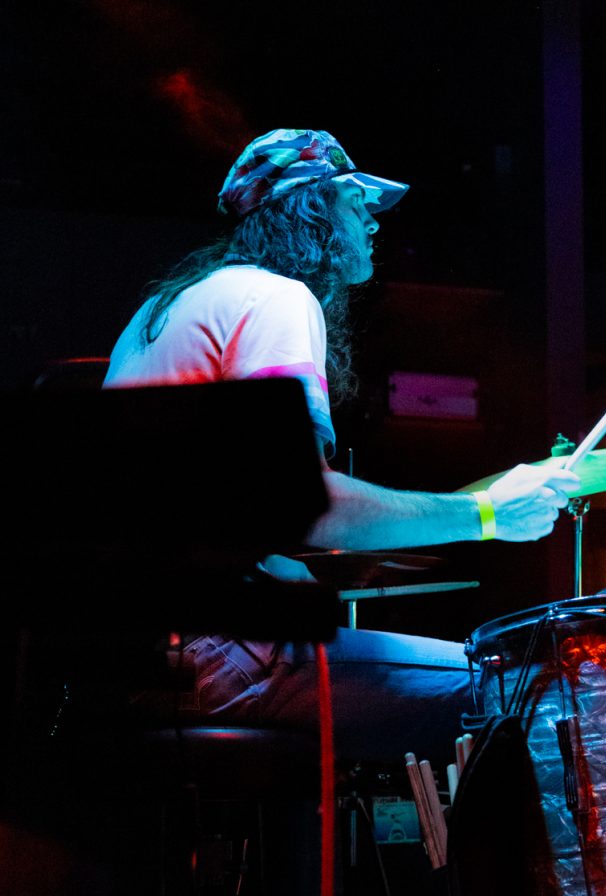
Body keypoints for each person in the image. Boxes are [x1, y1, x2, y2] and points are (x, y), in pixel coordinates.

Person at [103, 127, 581, 767]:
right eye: (358, 205)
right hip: (211, 655)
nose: (374, 225)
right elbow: (309, 504)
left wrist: (274, 565)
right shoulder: (274, 298)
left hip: (121, 659)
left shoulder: (163, 313)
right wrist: (490, 513)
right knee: (518, 688)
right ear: (315, 207)